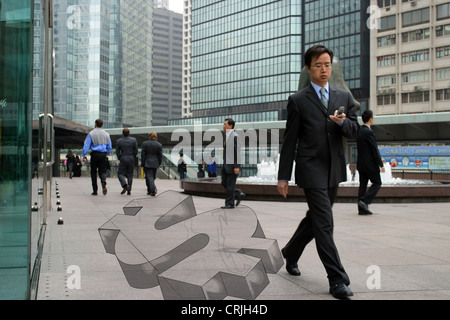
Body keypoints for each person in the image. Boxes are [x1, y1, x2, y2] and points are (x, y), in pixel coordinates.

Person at [277, 45, 359, 299]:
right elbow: (290, 140)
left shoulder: (343, 97)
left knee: (315, 219)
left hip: (334, 168)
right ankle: (337, 279)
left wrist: (343, 123)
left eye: (327, 64)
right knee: (324, 223)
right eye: (318, 65)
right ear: (308, 68)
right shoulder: (298, 100)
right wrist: (283, 176)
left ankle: (290, 252)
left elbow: (356, 131)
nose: (324, 70)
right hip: (310, 167)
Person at [356, 110, 385, 215]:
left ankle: (361, 209)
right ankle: (364, 201)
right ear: (371, 119)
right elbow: (374, 149)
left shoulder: (359, 131)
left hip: (361, 164)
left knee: (362, 185)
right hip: (370, 165)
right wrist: (380, 164)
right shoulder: (369, 132)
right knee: (377, 183)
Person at [82, 118, 112, 196]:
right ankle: (103, 182)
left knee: (93, 172)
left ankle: (95, 190)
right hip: (103, 154)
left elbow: (86, 145)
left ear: (95, 124)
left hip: (94, 154)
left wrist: (84, 155)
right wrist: (106, 152)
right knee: (102, 170)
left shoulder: (91, 133)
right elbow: (109, 146)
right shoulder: (106, 134)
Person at [221, 118, 245, 209]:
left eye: (225, 124)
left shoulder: (235, 136)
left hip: (232, 165)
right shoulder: (226, 136)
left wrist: (236, 166)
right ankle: (238, 193)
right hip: (226, 164)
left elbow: (237, 152)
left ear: (230, 126)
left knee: (230, 185)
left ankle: (230, 203)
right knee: (224, 183)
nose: (223, 126)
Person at [116, 128, 138, 195]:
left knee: (120, 173)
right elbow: (136, 150)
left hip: (123, 158)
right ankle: (129, 190)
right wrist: (133, 157)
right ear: (129, 133)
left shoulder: (119, 141)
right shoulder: (134, 140)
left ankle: (125, 185)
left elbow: (117, 152)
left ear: (122, 133)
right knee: (130, 175)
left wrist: (120, 157)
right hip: (131, 158)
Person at [141, 131, 162, 196]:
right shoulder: (159, 145)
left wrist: (142, 164)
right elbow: (160, 156)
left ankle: (153, 190)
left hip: (147, 162)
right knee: (152, 177)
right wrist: (159, 163)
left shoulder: (145, 144)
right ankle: (150, 190)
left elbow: (143, 155)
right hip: (155, 163)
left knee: (149, 177)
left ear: (150, 136)